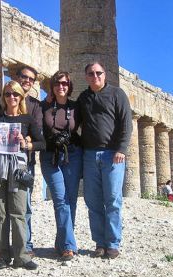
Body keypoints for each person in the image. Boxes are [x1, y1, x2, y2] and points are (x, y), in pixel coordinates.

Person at [0, 80, 45, 270]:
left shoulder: (27, 120)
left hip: (19, 168)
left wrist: (26, 144)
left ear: (21, 97)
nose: (11, 97)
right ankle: (3, 255)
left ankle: (22, 256)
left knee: (18, 212)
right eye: (7, 94)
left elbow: (42, 143)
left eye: (15, 94)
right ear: (3, 97)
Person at [78, 61, 132, 259]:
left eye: (98, 73)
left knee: (113, 200)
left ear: (105, 74)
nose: (95, 76)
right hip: (90, 155)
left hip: (112, 154)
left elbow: (126, 124)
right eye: (91, 73)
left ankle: (113, 243)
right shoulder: (83, 98)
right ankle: (99, 243)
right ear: (86, 77)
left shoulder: (118, 94)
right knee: (93, 202)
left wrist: (122, 149)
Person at [39, 71, 82, 261]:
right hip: (50, 155)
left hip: (72, 154)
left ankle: (62, 242)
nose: (61, 86)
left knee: (70, 200)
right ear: (52, 86)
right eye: (57, 83)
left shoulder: (76, 107)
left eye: (64, 83)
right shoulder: (44, 106)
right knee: (60, 199)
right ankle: (68, 246)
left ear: (69, 85)